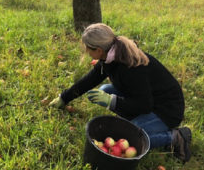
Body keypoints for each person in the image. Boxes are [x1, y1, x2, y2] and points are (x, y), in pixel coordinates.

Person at [49, 23, 192, 163]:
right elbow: (90, 79)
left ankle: (175, 137)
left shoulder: (130, 66)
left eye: (88, 49)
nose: (87, 52)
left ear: (98, 50)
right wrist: (64, 97)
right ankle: (140, 123)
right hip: (145, 98)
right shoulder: (111, 54)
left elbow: (145, 105)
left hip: (166, 110)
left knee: (126, 140)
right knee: (105, 90)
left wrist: (112, 101)